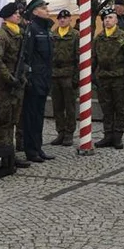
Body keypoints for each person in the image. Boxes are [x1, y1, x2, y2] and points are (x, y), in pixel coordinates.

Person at [0, 2, 29, 168]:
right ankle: (4, 156)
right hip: (6, 86)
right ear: (7, 16)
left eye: (19, 14)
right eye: (16, 14)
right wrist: (10, 78)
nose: (19, 16)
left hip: (17, 83)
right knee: (4, 121)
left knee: (13, 120)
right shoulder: (1, 36)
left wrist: (21, 77)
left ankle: (9, 153)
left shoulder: (18, 34)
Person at [92, 8, 124, 149]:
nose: (107, 20)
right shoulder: (99, 38)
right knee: (106, 108)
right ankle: (108, 135)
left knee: (119, 108)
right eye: (105, 18)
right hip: (103, 78)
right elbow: (94, 58)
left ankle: (118, 136)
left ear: (116, 20)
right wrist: (92, 75)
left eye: (110, 17)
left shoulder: (123, 36)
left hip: (119, 78)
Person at [20, 0, 54, 163]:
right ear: (35, 11)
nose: (48, 11)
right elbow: (26, 56)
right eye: (44, 8)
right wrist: (29, 77)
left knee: (39, 115)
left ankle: (38, 148)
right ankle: (31, 150)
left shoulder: (46, 29)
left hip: (44, 78)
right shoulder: (31, 29)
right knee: (31, 116)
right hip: (34, 80)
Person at [49, 9, 78, 146]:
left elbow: (79, 57)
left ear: (70, 19)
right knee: (57, 106)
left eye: (65, 18)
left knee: (70, 106)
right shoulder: (52, 35)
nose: (62, 20)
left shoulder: (75, 35)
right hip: (55, 74)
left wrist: (76, 77)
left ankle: (69, 133)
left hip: (68, 73)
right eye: (60, 18)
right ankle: (60, 131)